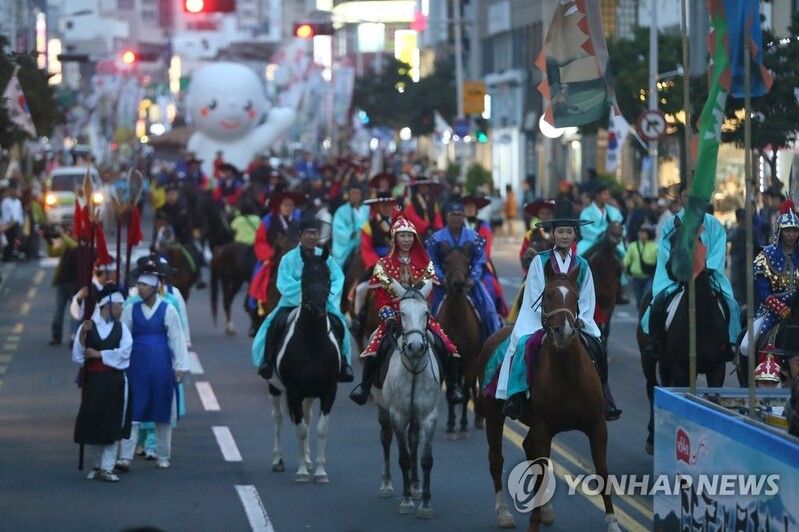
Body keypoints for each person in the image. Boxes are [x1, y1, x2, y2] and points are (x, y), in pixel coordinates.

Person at [493, 199, 622, 421]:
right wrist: (550, 318)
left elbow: (588, 297)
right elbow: (535, 295)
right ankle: (515, 396)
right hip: (542, 318)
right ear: (552, 235)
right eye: (560, 231)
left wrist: (580, 318)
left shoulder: (581, 264)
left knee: (597, 346)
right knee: (523, 343)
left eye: (568, 232)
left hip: (574, 319)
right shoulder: (539, 262)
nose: (564, 236)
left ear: (574, 235)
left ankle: (605, 397)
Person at [349, 213, 463, 405]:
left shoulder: (426, 264)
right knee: (374, 346)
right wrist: (388, 315)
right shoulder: (382, 265)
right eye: (402, 235)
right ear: (394, 238)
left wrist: (423, 310)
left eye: (410, 235)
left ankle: (453, 387)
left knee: (446, 345)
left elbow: (430, 295)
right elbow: (381, 299)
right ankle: (364, 386)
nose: (406, 239)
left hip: (419, 315)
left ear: (415, 238)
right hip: (393, 316)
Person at [641, 189, 741, 360]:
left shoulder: (714, 224)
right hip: (677, 277)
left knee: (731, 304)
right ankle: (655, 340)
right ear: (681, 198)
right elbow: (664, 249)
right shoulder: (670, 223)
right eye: (687, 195)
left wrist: (705, 267)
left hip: (708, 275)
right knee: (657, 302)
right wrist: (680, 268)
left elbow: (718, 248)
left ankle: (730, 343)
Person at [252, 217, 354, 382]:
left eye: (315, 233)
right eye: (308, 233)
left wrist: (322, 295)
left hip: (321, 302)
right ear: (300, 235)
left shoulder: (325, 257)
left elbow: (338, 279)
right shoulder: (288, 258)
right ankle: (268, 361)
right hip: (291, 303)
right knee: (273, 324)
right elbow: (284, 283)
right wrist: (306, 293)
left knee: (340, 324)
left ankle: (344, 363)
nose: (312, 237)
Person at [117, 259, 189, 471]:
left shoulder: (168, 310)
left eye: (144, 285)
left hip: (161, 365)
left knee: (163, 412)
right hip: (136, 365)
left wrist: (180, 366)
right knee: (133, 412)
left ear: (154, 287)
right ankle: (125, 457)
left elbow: (177, 338)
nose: (140, 289)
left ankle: (162, 455)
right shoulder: (130, 310)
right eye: (138, 285)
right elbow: (123, 338)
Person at [72, 284, 132, 482]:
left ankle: (107, 468)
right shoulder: (88, 326)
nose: (122, 308)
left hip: (115, 381)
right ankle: (98, 465)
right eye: (120, 305)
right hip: (94, 382)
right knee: (94, 422)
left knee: (113, 422)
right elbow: (78, 358)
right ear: (109, 304)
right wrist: (82, 336)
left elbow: (125, 354)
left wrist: (99, 354)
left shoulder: (121, 328)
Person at [426, 200, 501, 343]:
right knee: (428, 314)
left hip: (469, 284)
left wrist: (472, 279)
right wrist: (442, 278)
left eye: (459, 214)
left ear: (464, 216)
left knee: (489, 310)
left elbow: (480, 260)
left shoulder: (475, 237)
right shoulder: (435, 239)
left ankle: (491, 343)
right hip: (442, 285)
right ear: (447, 217)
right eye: (452, 215)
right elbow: (432, 261)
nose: (456, 218)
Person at [740, 199, 799, 358]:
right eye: (788, 230)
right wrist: (779, 307)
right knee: (746, 346)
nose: (792, 235)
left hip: (797, 308)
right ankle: (749, 378)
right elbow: (763, 291)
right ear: (779, 231)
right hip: (771, 311)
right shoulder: (765, 255)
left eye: (795, 230)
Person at [247, 190, 305, 317]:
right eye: (285, 205)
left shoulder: (298, 222)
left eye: (291, 205)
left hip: (295, 260)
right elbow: (260, 241)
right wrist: (270, 253)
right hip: (272, 259)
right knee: (258, 277)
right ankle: (254, 307)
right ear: (279, 206)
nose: (288, 208)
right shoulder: (268, 221)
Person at [348, 192, 397, 336]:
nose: (387, 208)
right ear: (377, 207)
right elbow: (366, 249)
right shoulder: (368, 226)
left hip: (397, 265)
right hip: (376, 266)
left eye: (389, 205)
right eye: (384, 205)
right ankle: (358, 319)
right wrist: (380, 265)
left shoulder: (398, 224)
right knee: (361, 290)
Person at [46, 225, 80, 346]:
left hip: (74, 284)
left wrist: (62, 235)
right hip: (62, 282)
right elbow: (53, 253)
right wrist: (48, 240)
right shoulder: (66, 244)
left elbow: (74, 245)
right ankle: (56, 335)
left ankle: (73, 336)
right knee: (59, 311)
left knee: (74, 312)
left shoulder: (79, 246)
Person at [331, 183, 370, 269]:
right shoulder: (341, 211)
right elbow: (337, 229)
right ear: (348, 195)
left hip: (366, 242)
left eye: (357, 193)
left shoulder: (367, 209)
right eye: (353, 193)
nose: (355, 196)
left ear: (361, 195)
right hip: (350, 244)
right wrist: (349, 234)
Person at [623, 223, 658, 310]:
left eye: (644, 232)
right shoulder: (632, 246)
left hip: (649, 277)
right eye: (640, 232)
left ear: (648, 234)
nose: (641, 234)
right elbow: (626, 260)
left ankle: (646, 315)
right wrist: (624, 266)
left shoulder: (654, 247)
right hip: (636, 278)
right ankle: (641, 316)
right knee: (639, 300)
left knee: (648, 298)